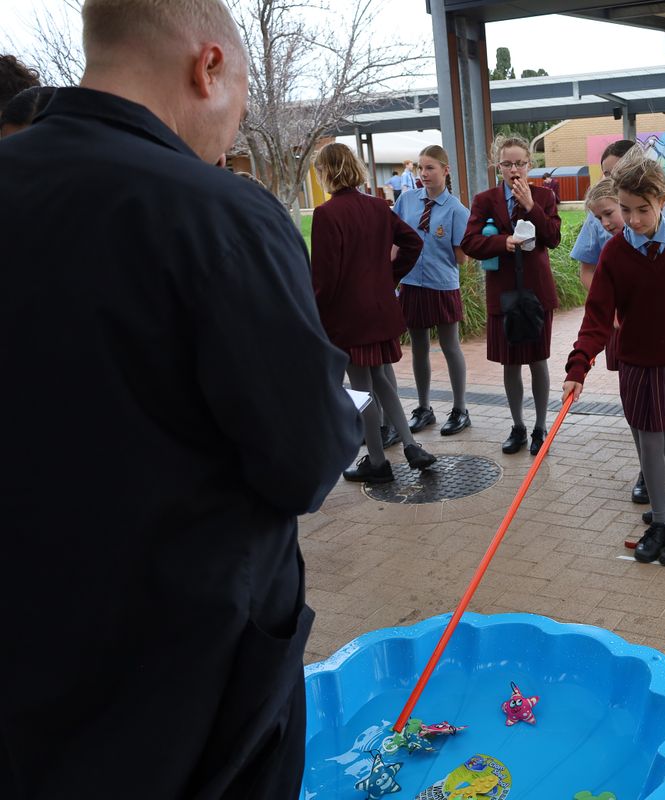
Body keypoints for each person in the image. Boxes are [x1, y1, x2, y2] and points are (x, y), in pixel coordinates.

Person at [0, 0, 363, 795]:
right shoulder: (216, 212)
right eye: (239, 103)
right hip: (189, 676)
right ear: (209, 67)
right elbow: (304, 461)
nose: (231, 134)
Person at [563, 149, 665, 567]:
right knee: (650, 443)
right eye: (625, 209)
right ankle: (659, 522)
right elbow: (597, 316)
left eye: (642, 209)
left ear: (662, 201)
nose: (633, 219)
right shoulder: (615, 253)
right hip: (639, 362)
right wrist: (578, 365)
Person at [571, 137, 665, 506]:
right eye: (608, 175)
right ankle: (653, 479)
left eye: (619, 172)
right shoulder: (611, 237)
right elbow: (592, 286)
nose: (630, 219)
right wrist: (579, 363)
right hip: (631, 337)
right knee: (643, 414)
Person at [310, 142, 437, 480]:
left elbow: (324, 278)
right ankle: (410, 445)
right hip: (381, 309)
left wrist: (315, 316)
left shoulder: (327, 214)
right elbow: (413, 242)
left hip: (349, 317)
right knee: (380, 379)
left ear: (326, 172)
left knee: (360, 389)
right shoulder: (378, 206)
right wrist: (389, 276)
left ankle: (378, 462)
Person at [462, 134, 561, 456]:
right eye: (507, 164)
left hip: (536, 291)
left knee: (537, 360)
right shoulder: (485, 200)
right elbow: (470, 242)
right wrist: (501, 243)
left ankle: (540, 427)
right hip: (503, 292)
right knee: (509, 363)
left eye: (520, 163)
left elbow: (553, 237)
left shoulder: (544, 196)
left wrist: (531, 206)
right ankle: (518, 426)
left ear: (529, 164)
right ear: (498, 166)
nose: (514, 170)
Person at [393, 144, 471, 437]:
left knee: (450, 346)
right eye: (420, 168)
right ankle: (424, 408)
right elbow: (395, 241)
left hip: (442, 284)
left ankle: (460, 409)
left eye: (430, 168)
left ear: (445, 170)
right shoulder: (406, 201)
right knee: (419, 347)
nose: (423, 173)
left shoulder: (457, 210)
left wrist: (443, 240)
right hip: (412, 282)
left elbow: (462, 257)